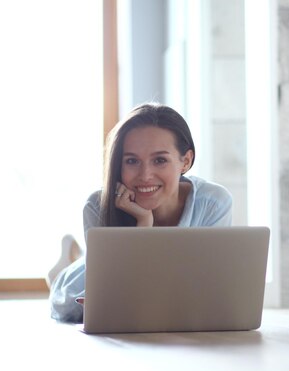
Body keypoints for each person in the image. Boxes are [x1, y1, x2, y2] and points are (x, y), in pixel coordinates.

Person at [49, 103, 232, 322]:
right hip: (87, 280)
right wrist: (144, 223)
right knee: (68, 305)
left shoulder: (214, 203)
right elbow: (117, 294)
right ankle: (70, 263)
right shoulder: (98, 206)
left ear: (186, 161)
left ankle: (77, 254)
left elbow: (205, 287)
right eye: (132, 161)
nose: (145, 175)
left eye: (160, 160)